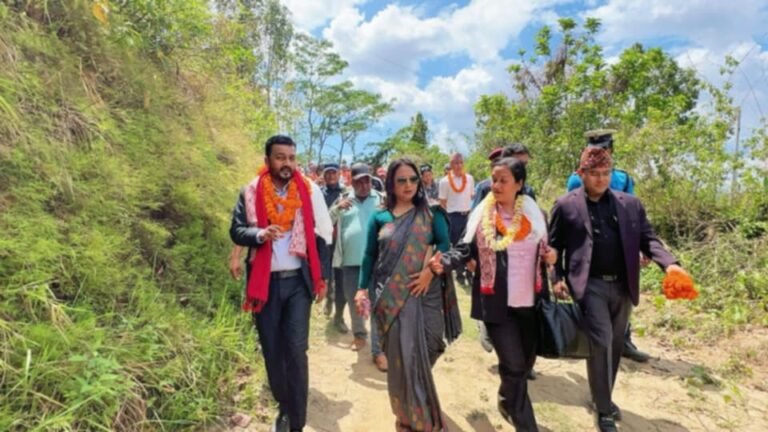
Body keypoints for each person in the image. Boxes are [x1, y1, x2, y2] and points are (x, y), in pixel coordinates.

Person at [548, 146, 689, 432]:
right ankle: (603, 410)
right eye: (594, 174)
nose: (601, 179)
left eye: (606, 173)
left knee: (613, 345)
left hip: (624, 285)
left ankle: (601, 396)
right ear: (581, 174)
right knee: (601, 342)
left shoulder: (630, 204)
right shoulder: (565, 205)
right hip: (589, 285)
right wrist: (556, 277)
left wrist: (670, 265)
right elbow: (554, 247)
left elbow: (648, 239)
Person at [431, 157, 556, 431]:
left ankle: (506, 400)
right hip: (498, 305)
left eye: (503, 181)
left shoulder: (536, 215)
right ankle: (527, 426)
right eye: (494, 180)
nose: (496, 186)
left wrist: (554, 259)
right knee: (513, 366)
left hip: (532, 305)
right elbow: (465, 249)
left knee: (524, 364)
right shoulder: (482, 216)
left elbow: (550, 250)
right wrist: (445, 261)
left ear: (519, 184)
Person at [229, 135, 333, 432]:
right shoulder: (251, 191)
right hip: (266, 287)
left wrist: (322, 277)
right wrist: (259, 234)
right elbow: (236, 231)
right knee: (273, 350)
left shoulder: (309, 190)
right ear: (267, 161)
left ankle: (296, 422)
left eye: (291, 157)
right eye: (280, 157)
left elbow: (323, 235)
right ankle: (284, 407)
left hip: (299, 283)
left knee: (296, 350)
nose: (287, 163)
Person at [356, 158, 461, 431]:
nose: (408, 185)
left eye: (413, 179)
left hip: (427, 292)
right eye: (401, 180)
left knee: (432, 343)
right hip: (391, 296)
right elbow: (369, 255)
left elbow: (445, 245)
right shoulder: (380, 217)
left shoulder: (432, 213)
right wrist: (361, 288)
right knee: (401, 356)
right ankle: (408, 416)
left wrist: (429, 271)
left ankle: (414, 390)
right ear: (391, 184)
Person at [565, 129, 648, 363]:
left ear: (610, 151)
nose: (598, 154)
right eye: (593, 150)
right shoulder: (576, 178)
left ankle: (624, 341)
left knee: (623, 300)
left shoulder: (623, 179)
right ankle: (584, 339)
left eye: (603, 150)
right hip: (592, 247)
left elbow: (633, 218)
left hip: (621, 249)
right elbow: (573, 214)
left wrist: (640, 247)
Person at [328, 163, 385, 366]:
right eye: (359, 181)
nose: (364, 184)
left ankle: (378, 350)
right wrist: (337, 209)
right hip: (350, 263)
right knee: (355, 303)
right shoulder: (343, 199)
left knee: (378, 305)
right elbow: (326, 222)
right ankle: (360, 335)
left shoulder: (381, 199)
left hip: (377, 264)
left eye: (367, 180)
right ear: (352, 182)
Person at [438, 152, 475, 285]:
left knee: (470, 244)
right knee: (457, 246)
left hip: (468, 216)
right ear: (451, 164)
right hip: (453, 217)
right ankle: (460, 275)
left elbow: (471, 196)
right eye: (455, 163)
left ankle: (470, 274)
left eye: (461, 163)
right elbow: (442, 202)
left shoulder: (469, 178)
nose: (459, 166)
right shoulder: (444, 181)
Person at [321, 162, 348, 331]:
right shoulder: (318, 194)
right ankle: (328, 299)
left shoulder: (346, 193)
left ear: (339, 174)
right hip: (323, 242)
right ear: (323, 175)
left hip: (341, 242)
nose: (331, 176)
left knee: (341, 280)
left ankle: (339, 316)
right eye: (328, 173)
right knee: (326, 276)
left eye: (333, 173)